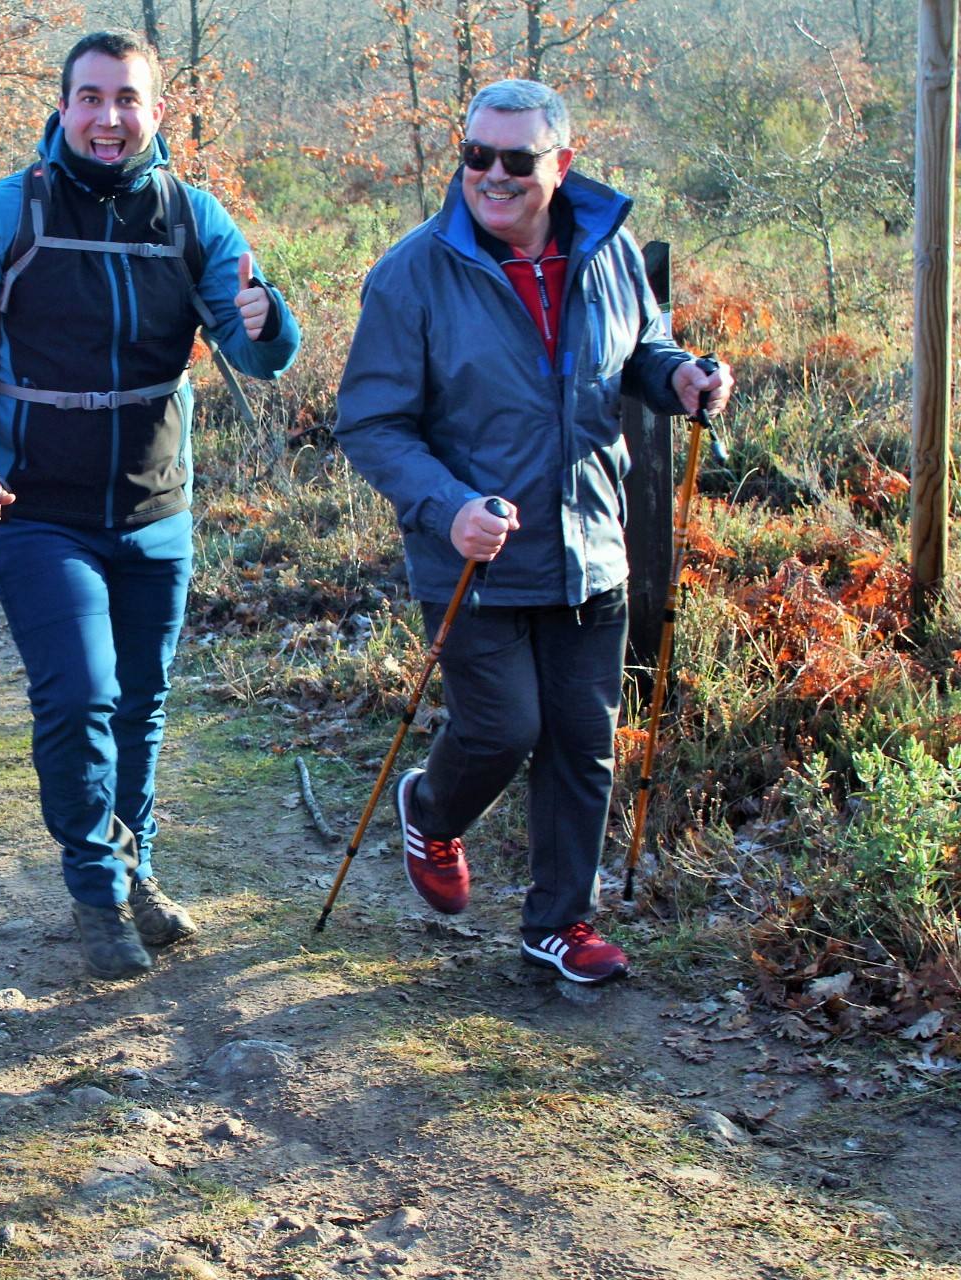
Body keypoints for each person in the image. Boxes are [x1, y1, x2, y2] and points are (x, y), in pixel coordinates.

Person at [0, 30, 301, 980]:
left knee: (142, 700)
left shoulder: (191, 216)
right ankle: (95, 887)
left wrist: (269, 320)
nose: (108, 118)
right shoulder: (3, 215)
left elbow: (252, 352)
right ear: (62, 106)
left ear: (155, 111)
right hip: (34, 505)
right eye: (90, 98)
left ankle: (139, 867)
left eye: (127, 99)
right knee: (81, 694)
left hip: (156, 504)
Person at [333, 79, 733, 985]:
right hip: (473, 555)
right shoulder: (413, 274)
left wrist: (679, 378)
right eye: (478, 156)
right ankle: (431, 811)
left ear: (562, 161)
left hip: (592, 543)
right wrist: (449, 506)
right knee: (504, 728)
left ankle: (560, 923)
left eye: (518, 160)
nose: (495, 176)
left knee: (583, 744)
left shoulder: (609, 249)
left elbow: (643, 348)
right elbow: (370, 424)